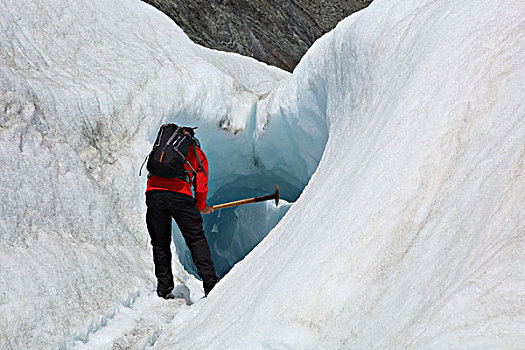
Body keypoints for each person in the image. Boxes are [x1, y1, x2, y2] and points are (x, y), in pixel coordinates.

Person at [145, 139, 218, 299]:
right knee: (196, 239)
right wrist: (201, 205)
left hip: (154, 195)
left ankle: (164, 288)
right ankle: (211, 286)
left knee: (160, 243)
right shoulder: (195, 152)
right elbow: (201, 183)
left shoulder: (161, 150)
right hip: (180, 195)